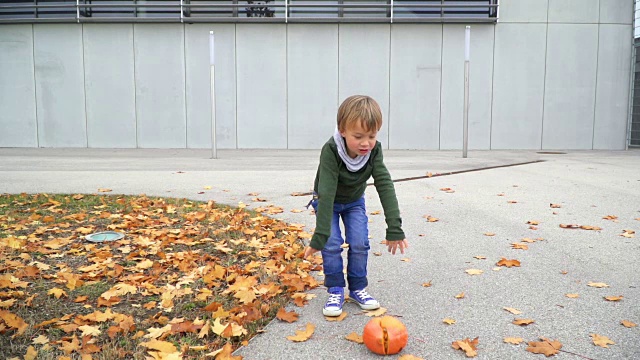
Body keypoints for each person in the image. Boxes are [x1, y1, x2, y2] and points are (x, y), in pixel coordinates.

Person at [303, 95, 408, 317]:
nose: (366, 143)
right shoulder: (331, 150)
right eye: (358, 136)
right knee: (331, 245)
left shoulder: (374, 151)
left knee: (360, 243)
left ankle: (358, 288)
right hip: (327, 201)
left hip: (353, 202)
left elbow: (384, 184)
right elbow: (328, 191)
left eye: (372, 135)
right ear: (342, 130)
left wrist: (394, 227)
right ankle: (336, 289)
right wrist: (319, 237)